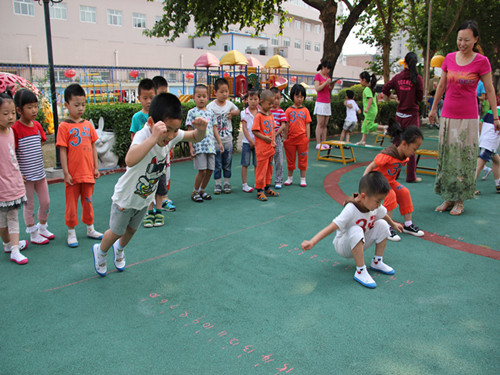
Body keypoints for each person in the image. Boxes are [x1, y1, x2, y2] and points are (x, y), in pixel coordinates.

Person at [92, 93, 207, 277]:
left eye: (174, 131)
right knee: (116, 231)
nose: (170, 136)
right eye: (167, 130)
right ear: (153, 122)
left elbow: (194, 136)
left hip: (144, 198)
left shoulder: (171, 135)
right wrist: (153, 138)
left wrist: (201, 130)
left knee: (131, 230)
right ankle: (101, 251)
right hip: (126, 197)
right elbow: (129, 160)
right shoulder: (143, 134)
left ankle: (119, 250)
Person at [429, 20, 499, 216]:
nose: (462, 43)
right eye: (459, 39)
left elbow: (490, 89)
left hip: (468, 117)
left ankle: (460, 200)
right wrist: (433, 109)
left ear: (475, 39)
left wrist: (495, 117)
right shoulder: (449, 59)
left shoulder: (481, 61)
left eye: (467, 40)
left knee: (464, 158)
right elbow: (441, 86)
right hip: (448, 115)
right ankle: (448, 197)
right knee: (448, 157)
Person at [301, 171, 403, 289]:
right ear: (363, 196)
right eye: (377, 201)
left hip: (360, 241)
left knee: (382, 224)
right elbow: (333, 226)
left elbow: (384, 215)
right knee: (356, 229)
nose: (379, 204)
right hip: (344, 245)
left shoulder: (374, 206)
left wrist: (393, 224)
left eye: (381, 201)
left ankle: (377, 262)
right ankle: (360, 271)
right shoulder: (351, 209)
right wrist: (312, 242)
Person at [56, 84, 103, 247]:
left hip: (88, 174)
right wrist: (66, 173)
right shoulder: (64, 126)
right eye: (76, 105)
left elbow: (93, 147)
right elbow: (62, 151)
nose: (80, 108)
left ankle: (90, 228)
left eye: (83, 104)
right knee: (71, 205)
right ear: (67, 105)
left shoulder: (88, 125)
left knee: (88, 202)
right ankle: (71, 232)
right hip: (73, 176)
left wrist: (95, 167)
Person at [364, 122, 425, 241]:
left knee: (404, 192)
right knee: (390, 195)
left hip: (389, 182)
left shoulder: (404, 157)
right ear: (404, 144)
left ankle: (408, 225)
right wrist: (365, 183)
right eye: (414, 149)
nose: (415, 152)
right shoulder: (387, 155)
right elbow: (370, 167)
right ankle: (386, 227)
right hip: (376, 182)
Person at [12, 89, 54, 245]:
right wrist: (19, 173)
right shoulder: (15, 129)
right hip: (26, 177)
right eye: (29, 107)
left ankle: (42, 226)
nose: (34, 110)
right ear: (19, 110)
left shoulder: (37, 125)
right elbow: (13, 152)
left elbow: (41, 142)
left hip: (40, 174)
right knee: (29, 205)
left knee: (46, 202)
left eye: (35, 106)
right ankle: (33, 232)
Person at [382, 52, 424, 183]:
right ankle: (411, 176)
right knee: (412, 145)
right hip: (412, 116)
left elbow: (385, 89)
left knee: (397, 145)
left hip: (399, 115)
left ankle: (393, 173)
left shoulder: (397, 77)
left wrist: (395, 97)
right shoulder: (418, 79)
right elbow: (419, 98)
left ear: (404, 62)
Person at [0, 93, 28, 265]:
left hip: (13, 182)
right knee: (2, 220)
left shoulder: (11, 132)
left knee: (12, 217)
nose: (10, 117)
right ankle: (8, 243)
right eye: (5, 113)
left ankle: (15, 248)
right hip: (2, 185)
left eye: (12, 112)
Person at [187, 84, 224, 202]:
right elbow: (189, 131)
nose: (201, 99)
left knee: (210, 170)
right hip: (199, 146)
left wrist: (219, 143)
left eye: (204, 96)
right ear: (194, 97)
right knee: (202, 170)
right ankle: (195, 191)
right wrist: (191, 146)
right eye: (199, 96)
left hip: (210, 146)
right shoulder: (191, 112)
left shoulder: (210, 112)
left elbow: (214, 129)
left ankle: (202, 190)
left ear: (208, 97)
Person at [207, 78, 240, 194]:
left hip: (228, 139)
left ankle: (227, 183)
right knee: (217, 163)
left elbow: (238, 110)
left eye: (226, 91)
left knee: (227, 162)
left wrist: (232, 113)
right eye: (222, 91)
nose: (225, 94)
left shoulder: (229, 104)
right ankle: (217, 184)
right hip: (216, 140)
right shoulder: (210, 107)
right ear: (215, 92)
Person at [252, 89, 278, 201]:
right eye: (269, 103)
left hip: (270, 148)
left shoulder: (270, 115)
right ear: (261, 102)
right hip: (262, 149)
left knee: (269, 169)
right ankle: (259, 190)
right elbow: (255, 131)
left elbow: (272, 129)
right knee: (261, 170)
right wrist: (265, 138)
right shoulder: (258, 116)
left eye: (272, 103)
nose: (271, 106)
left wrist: (274, 141)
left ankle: (267, 187)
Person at [284, 84, 311, 187]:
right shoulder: (289, 110)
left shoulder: (305, 110)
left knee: (303, 159)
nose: (299, 99)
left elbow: (307, 124)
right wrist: (285, 138)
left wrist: (307, 138)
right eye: (297, 96)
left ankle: (303, 179)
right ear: (293, 96)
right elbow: (286, 125)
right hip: (291, 139)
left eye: (301, 96)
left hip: (302, 139)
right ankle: (289, 178)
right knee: (290, 159)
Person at [357, 71, 388, 146]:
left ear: (364, 80)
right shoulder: (371, 88)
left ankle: (384, 127)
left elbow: (370, 99)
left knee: (369, 125)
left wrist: (367, 108)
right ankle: (363, 140)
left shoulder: (367, 89)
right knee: (365, 125)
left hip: (370, 111)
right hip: (373, 110)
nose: (360, 82)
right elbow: (375, 98)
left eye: (360, 80)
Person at [475, 106, 500, 194]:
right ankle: (469, 188)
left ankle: (498, 185)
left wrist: (483, 135)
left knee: (497, 162)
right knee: (479, 165)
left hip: (486, 141)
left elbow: (480, 123)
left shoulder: (491, 111)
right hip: (490, 143)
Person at [240, 88, 260, 193]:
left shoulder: (260, 112)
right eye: (251, 99)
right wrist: (251, 141)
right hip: (247, 143)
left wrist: (257, 141)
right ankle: (244, 184)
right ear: (247, 100)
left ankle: (258, 182)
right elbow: (244, 128)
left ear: (259, 100)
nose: (253, 101)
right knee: (245, 163)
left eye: (255, 99)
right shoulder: (244, 113)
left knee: (257, 163)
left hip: (258, 143)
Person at [313, 60, 334, 150]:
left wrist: (331, 86)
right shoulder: (318, 76)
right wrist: (325, 82)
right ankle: (318, 143)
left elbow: (327, 90)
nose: (327, 71)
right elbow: (317, 88)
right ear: (323, 67)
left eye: (329, 69)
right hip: (320, 102)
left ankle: (324, 142)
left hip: (327, 102)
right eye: (327, 69)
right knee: (320, 123)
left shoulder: (327, 76)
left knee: (325, 124)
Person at [270, 87, 288, 189]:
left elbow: (283, 125)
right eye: (274, 98)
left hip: (277, 139)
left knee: (279, 161)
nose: (276, 101)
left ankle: (278, 180)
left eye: (278, 98)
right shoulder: (267, 111)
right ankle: (266, 180)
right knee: (268, 161)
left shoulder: (281, 111)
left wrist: (276, 133)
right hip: (267, 139)